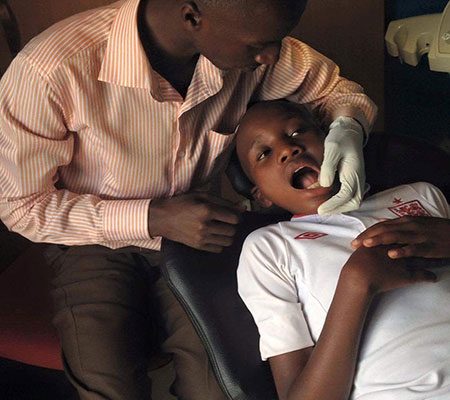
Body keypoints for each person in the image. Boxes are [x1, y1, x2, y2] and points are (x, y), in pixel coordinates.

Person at [0, 0, 376, 399]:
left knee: (221, 386)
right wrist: (153, 217)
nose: (268, 56)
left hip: (201, 233)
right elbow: (18, 205)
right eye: (258, 46)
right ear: (192, 16)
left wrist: (348, 126)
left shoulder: (248, 45)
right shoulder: (51, 71)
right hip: (90, 240)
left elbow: (337, 91)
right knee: (107, 382)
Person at [236, 100, 450, 400]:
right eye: (264, 153)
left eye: (298, 131)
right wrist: (356, 283)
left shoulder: (423, 194)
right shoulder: (269, 248)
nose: (288, 149)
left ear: (332, 139)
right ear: (261, 196)